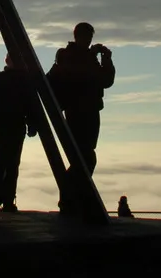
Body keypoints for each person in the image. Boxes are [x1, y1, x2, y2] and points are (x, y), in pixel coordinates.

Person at [46, 22, 115, 173]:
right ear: (77, 37)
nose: (88, 41)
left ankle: (72, 193)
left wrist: (106, 60)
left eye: (90, 38)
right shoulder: (66, 55)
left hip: (91, 111)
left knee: (86, 155)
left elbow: (106, 81)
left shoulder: (88, 58)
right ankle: (70, 193)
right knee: (84, 157)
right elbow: (78, 73)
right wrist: (91, 55)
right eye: (86, 37)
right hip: (75, 112)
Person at [0, 53, 37, 211]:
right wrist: (32, 125)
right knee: (11, 164)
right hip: (15, 127)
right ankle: (7, 200)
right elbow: (31, 106)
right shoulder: (25, 82)